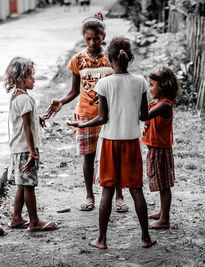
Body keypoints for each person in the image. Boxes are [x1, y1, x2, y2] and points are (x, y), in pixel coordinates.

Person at [66, 37, 157, 249]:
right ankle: (145, 237)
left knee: (107, 190)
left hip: (109, 143)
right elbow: (144, 116)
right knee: (136, 190)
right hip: (132, 142)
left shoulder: (103, 83)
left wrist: (81, 125)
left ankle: (102, 239)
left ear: (108, 58)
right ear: (131, 57)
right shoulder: (141, 82)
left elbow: (102, 119)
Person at [45, 13, 129, 212]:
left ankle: (119, 196)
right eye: (88, 39)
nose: (92, 42)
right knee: (88, 157)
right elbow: (75, 90)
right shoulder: (78, 60)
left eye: (96, 38)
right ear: (83, 37)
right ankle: (90, 195)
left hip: (110, 115)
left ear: (103, 36)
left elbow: (120, 83)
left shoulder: (111, 58)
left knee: (113, 155)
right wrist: (62, 102)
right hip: (85, 114)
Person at [5, 57, 57, 232]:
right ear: (21, 77)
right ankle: (34, 222)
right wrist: (32, 152)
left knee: (22, 184)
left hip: (17, 148)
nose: (34, 79)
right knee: (29, 186)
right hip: (26, 150)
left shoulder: (16, 96)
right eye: (31, 75)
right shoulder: (26, 100)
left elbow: (25, 121)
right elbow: (27, 127)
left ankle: (16, 218)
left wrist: (38, 118)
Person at [141, 67, 179, 230]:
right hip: (155, 148)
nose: (150, 89)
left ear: (163, 86)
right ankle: (162, 212)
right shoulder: (158, 102)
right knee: (160, 182)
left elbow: (144, 116)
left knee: (163, 185)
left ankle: (165, 219)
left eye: (152, 85)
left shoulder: (165, 105)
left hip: (160, 150)